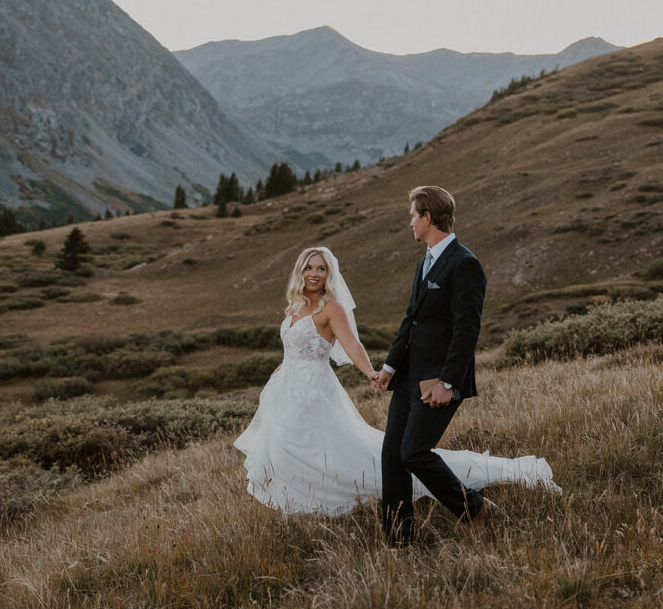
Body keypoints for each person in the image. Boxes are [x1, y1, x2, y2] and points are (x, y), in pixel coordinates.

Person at [234, 245, 559, 525]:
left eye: (321, 268)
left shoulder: (330, 308)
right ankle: (301, 509)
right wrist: (280, 370)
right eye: (309, 267)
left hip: (313, 392)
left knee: (337, 453)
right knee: (286, 451)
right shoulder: (293, 307)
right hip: (284, 390)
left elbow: (352, 345)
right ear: (300, 271)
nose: (314, 273)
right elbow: (292, 349)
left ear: (329, 274)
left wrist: (371, 373)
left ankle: (455, 489)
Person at [373, 186, 509, 545]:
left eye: (414, 215)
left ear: (428, 218)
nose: (410, 222)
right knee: (392, 457)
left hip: (439, 380)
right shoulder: (425, 262)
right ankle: (399, 542)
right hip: (408, 377)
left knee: (413, 452)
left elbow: (467, 330)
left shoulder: (465, 263)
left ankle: (476, 509)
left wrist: (447, 382)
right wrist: (390, 366)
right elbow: (411, 320)